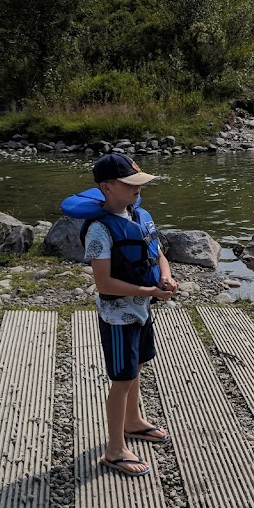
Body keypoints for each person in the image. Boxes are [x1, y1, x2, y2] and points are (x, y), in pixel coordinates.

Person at [80, 153, 178, 477]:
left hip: (141, 309)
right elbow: (104, 282)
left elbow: (158, 252)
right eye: (130, 184)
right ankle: (114, 449)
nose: (139, 188)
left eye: (140, 182)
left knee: (137, 365)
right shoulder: (99, 231)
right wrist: (149, 292)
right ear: (106, 187)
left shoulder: (137, 214)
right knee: (121, 379)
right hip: (118, 316)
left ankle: (134, 422)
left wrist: (165, 277)